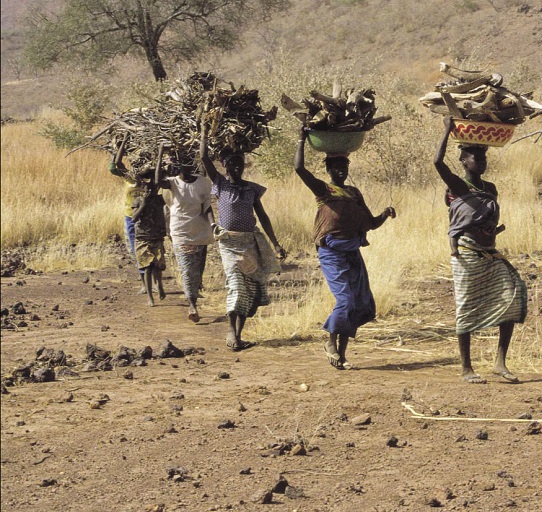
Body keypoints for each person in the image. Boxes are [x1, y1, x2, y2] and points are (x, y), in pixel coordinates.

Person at [434, 117, 527, 384]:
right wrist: (445, 131)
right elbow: (437, 163)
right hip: (466, 254)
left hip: (490, 253)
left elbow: (483, 218)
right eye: (474, 157)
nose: (481, 161)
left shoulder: (491, 189)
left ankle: (500, 362)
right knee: (466, 307)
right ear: (463, 161)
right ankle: (466, 367)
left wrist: (492, 232)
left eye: (483, 157)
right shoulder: (459, 186)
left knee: (511, 296)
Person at [294, 130, 396, 369]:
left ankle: (341, 354)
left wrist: (385, 213)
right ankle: (330, 341)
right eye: (336, 167)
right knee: (345, 301)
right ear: (328, 170)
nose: (341, 171)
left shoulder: (354, 193)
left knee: (360, 303)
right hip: (332, 253)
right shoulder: (324, 191)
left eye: (344, 167)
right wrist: (301, 138)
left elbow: (370, 224)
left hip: (352, 252)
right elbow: (299, 169)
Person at [200, 128, 286, 351]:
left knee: (250, 288)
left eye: (240, 164)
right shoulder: (220, 184)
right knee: (236, 286)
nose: (237, 168)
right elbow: (203, 157)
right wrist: (204, 131)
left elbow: (263, 216)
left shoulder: (251, 189)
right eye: (232, 164)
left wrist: (275, 243)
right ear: (225, 166)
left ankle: (238, 335)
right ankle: (230, 331)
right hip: (229, 243)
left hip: (249, 243)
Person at [162, 165, 215, 323]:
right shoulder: (172, 183)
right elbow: (158, 181)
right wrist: (159, 156)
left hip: (201, 231)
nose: (186, 166)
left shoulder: (204, 182)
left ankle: (195, 291)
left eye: (189, 162)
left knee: (198, 269)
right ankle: (192, 305)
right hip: (180, 231)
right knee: (186, 269)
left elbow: (207, 206)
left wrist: (213, 225)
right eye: (182, 163)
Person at [130, 146, 168, 307]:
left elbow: (159, 178)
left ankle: (159, 285)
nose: (149, 187)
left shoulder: (159, 199)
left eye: (152, 184)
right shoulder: (138, 200)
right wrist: (143, 204)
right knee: (147, 267)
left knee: (157, 266)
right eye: (146, 185)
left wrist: (159, 155)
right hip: (142, 237)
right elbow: (133, 218)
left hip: (157, 236)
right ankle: (150, 296)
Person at [108, 137, 146, 290]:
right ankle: (144, 280)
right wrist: (120, 145)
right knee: (133, 248)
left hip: (146, 218)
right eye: (135, 165)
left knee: (148, 248)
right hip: (130, 217)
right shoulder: (128, 177)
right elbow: (113, 167)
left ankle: (152, 281)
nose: (136, 168)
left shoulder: (148, 180)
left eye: (139, 165)